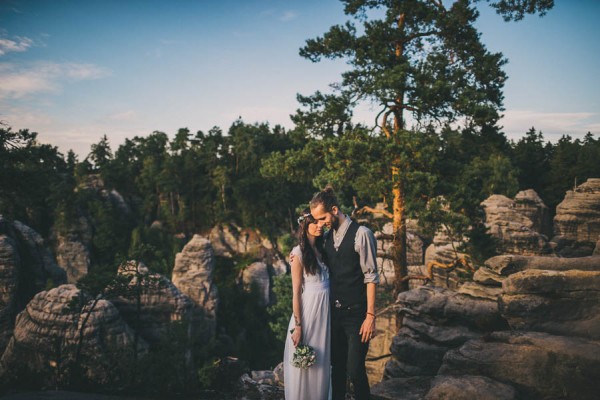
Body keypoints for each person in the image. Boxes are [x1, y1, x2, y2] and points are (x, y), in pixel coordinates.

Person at [310, 187, 379, 400]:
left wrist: (370, 316)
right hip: (334, 315)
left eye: (322, 218)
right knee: (336, 369)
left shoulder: (362, 234)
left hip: (357, 315)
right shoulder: (328, 237)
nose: (320, 223)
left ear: (334, 209)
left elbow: (371, 277)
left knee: (355, 371)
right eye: (316, 220)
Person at [283, 208, 331, 400]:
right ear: (304, 225)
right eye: (314, 223)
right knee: (308, 363)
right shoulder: (298, 254)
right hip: (310, 312)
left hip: (325, 314)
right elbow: (296, 293)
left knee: (322, 362)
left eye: (321, 222)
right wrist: (298, 326)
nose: (319, 226)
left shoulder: (324, 248)